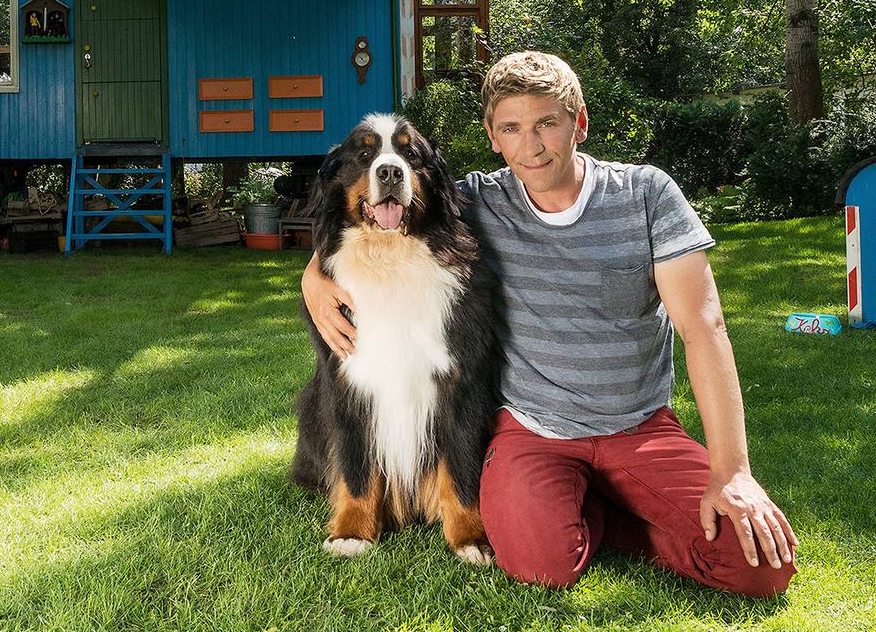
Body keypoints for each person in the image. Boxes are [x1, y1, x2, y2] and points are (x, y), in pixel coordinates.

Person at [301, 52, 796, 598]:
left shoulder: (648, 195)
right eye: (512, 128)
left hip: (638, 427)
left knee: (760, 568)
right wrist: (314, 274)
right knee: (541, 563)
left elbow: (707, 331)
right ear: (493, 136)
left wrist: (732, 472)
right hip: (534, 430)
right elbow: (376, 209)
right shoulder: (482, 199)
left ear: (579, 121)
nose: (531, 145)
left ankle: (606, 505)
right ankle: (591, 510)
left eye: (546, 124)